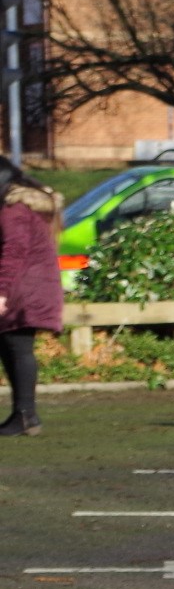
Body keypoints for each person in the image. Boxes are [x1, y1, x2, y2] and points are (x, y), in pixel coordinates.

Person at [0, 157, 65, 437]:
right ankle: (24, 415)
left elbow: (14, 252)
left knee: (18, 348)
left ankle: (26, 414)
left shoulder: (13, 211)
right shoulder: (24, 207)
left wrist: (2, 291)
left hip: (23, 291)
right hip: (31, 287)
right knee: (12, 349)